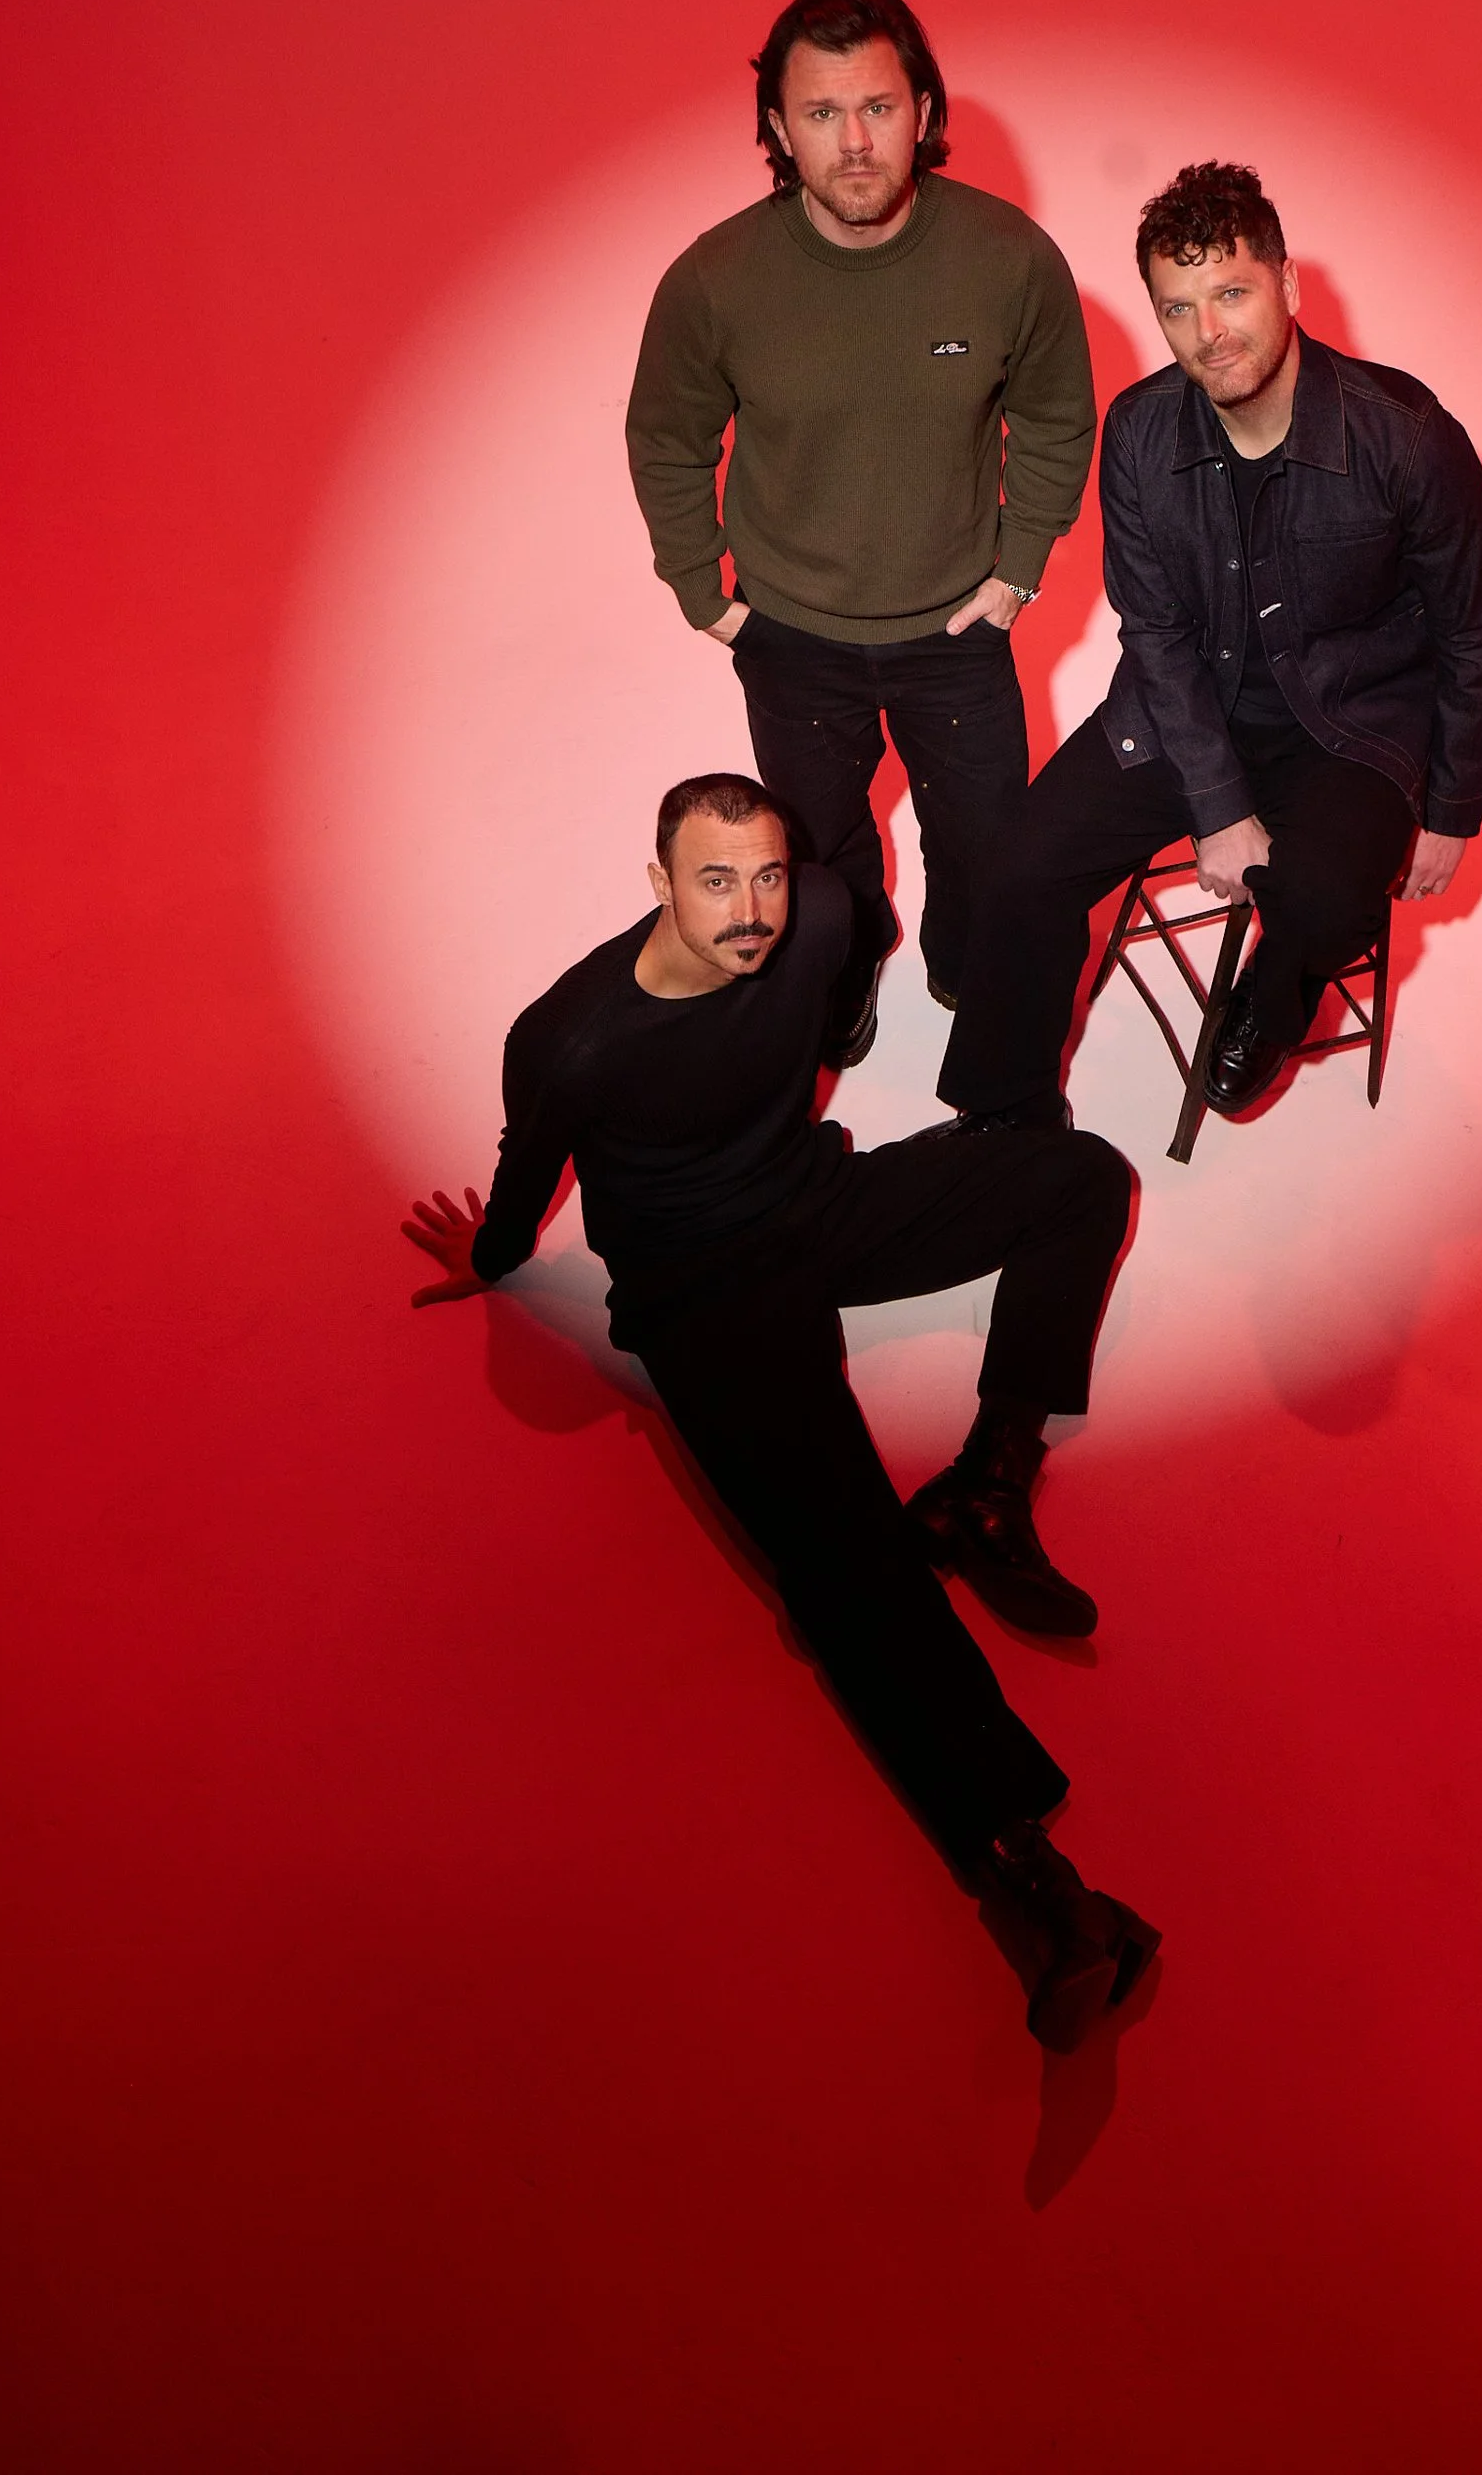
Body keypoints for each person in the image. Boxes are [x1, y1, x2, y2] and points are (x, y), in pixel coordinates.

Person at [398, 770, 1159, 2051]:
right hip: (700, 1295)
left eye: (763, 875)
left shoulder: (819, 913)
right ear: (657, 884)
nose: (750, 910)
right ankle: (1034, 1883)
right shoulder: (572, 1038)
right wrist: (488, 1254)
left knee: (1079, 1178)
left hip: (813, 1206)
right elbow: (525, 1183)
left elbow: (841, 967)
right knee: (846, 1564)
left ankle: (985, 1485)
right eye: (714, 881)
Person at [939, 161, 1482, 1128]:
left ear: (1287, 285)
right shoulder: (1139, 432)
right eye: (1179, 307)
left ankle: (1270, 998)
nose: (1208, 331)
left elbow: (1477, 625)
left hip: (1352, 729)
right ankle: (1002, 1123)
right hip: (1185, 710)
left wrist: (1453, 809)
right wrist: (1219, 807)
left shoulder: (1406, 435)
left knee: (1324, 897)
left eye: (1232, 293)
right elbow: (1156, 632)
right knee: (1019, 867)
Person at [624, 0, 1095, 1065]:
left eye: (878, 107)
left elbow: (1057, 417)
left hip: (956, 626)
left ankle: (961, 964)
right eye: (822, 113)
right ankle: (848, 968)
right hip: (791, 630)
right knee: (820, 849)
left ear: (923, 112)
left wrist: (1019, 566)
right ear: (778, 128)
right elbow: (666, 438)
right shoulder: (715, 278)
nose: (853, 141)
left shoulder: (1008, 257)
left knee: (984, 841)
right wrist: (703, 591)